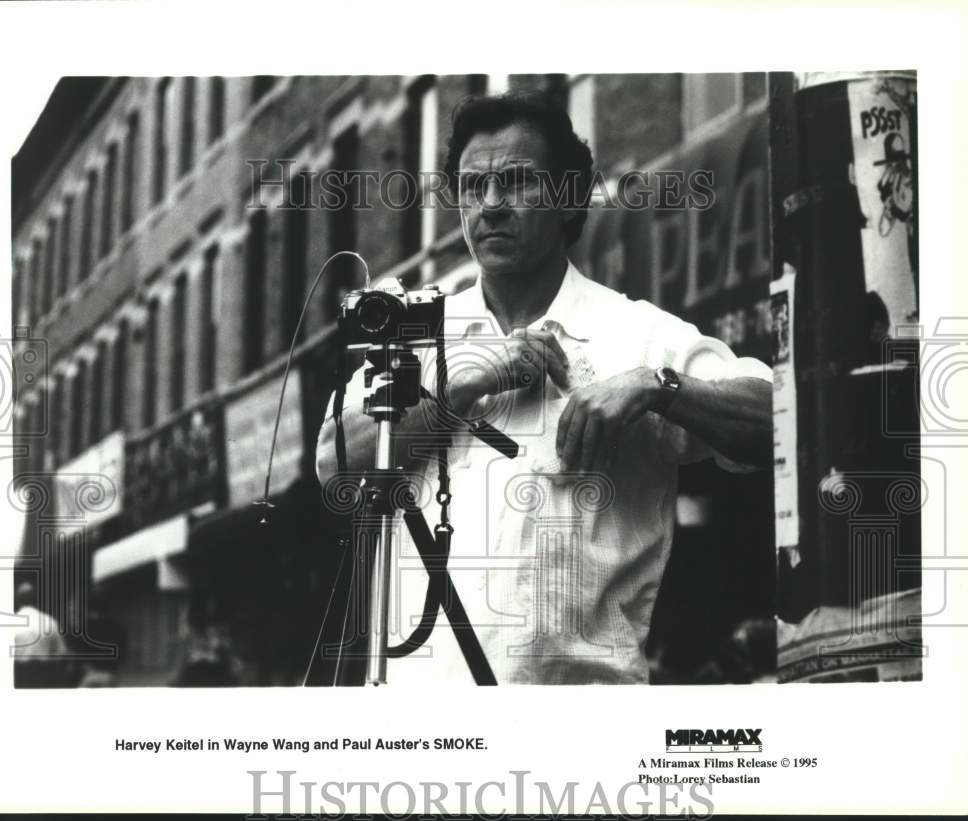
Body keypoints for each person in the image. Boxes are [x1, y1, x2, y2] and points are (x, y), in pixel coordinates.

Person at [316, 91, 773, 684]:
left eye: (517, 182)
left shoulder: (635, 335)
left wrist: (657, 387)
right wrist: (461, 384)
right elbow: (334, 464)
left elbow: (780, 418)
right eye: (473, 186)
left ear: (568, 197)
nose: (492, 205)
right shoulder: (413, 336)